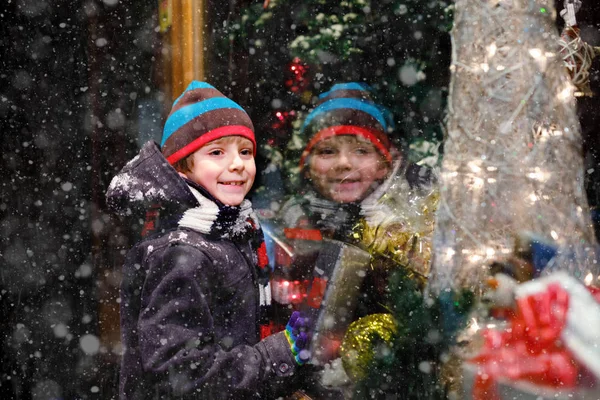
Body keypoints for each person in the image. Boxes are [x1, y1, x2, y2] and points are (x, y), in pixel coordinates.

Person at [106, 81, 310, 399]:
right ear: (183, 169)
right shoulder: (181, 252)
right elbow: (181, 374)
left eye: (245, 152)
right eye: (217, 152)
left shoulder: (231, 234)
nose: (238, 164)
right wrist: (275, 356)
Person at [268, 82, 437, 396]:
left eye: (361, 150)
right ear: (306, 165)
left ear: (384, 163)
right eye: (327, 151)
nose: (344, 163)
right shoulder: (291, 228)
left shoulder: (408, 225)